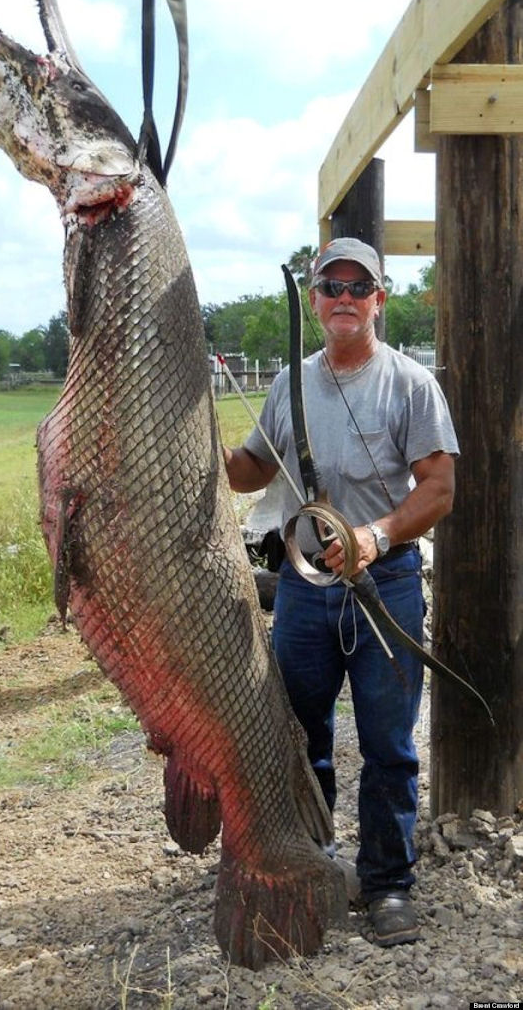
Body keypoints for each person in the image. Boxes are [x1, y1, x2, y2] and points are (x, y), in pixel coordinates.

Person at [224, 237, 459, 947]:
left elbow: (440, 488)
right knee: (301, 736)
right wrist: (192, 442)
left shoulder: (411, 385)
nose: (346, 297)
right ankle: (313, 865)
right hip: (303, 588)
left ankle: (388, 882)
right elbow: (246, 470)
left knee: (389, 744)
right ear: (318, 301)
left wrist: (376, 536)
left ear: (379, 300)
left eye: (361, 285)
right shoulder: (288, 383)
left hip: (384, 585)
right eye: (333, 285)